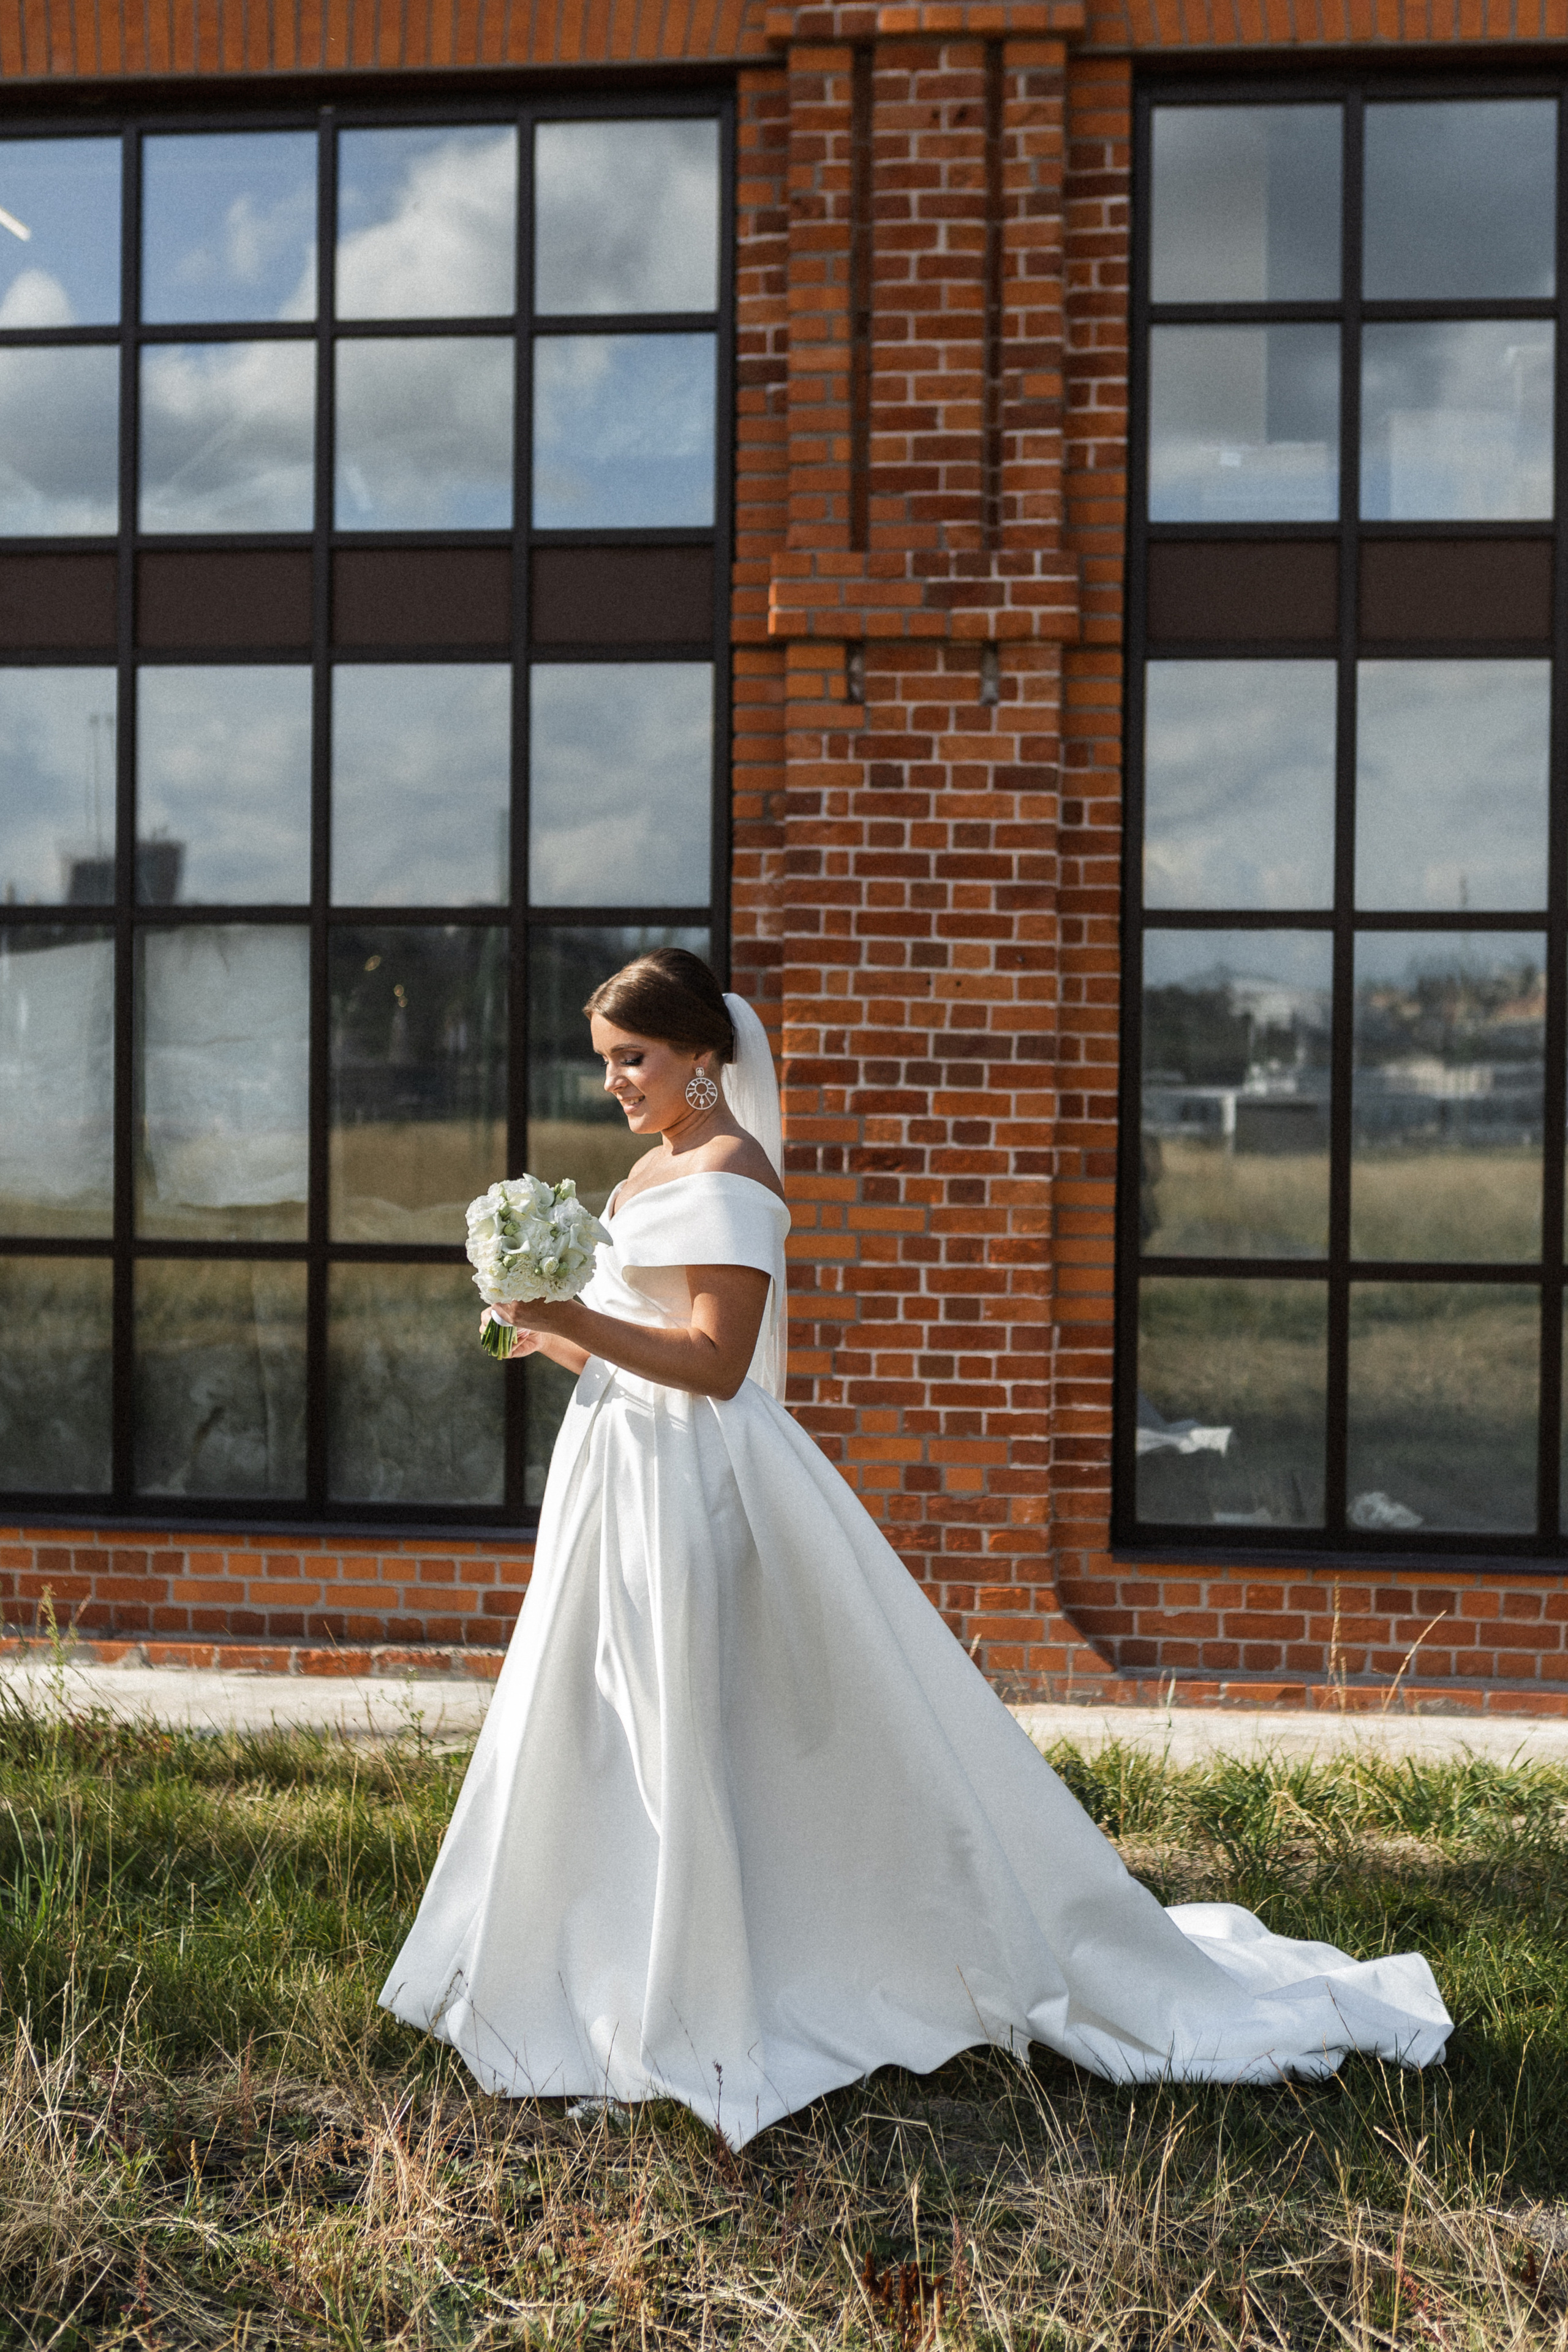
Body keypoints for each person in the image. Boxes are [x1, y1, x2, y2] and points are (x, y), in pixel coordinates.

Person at [380, 948, 1449, 2149]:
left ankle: (723, 1972)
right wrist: (547, 1335)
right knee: (605, 1711)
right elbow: (638, 1342)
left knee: (687, 1707)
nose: (616, 1082)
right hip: (615, 1469)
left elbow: (717, 1364)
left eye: (634, 1058)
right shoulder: (642, 1175)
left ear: (702, 1055)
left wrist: (574, 1311)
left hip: (694, 1486)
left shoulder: (732, 1172)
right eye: (606, 1062)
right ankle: (594, 1963)